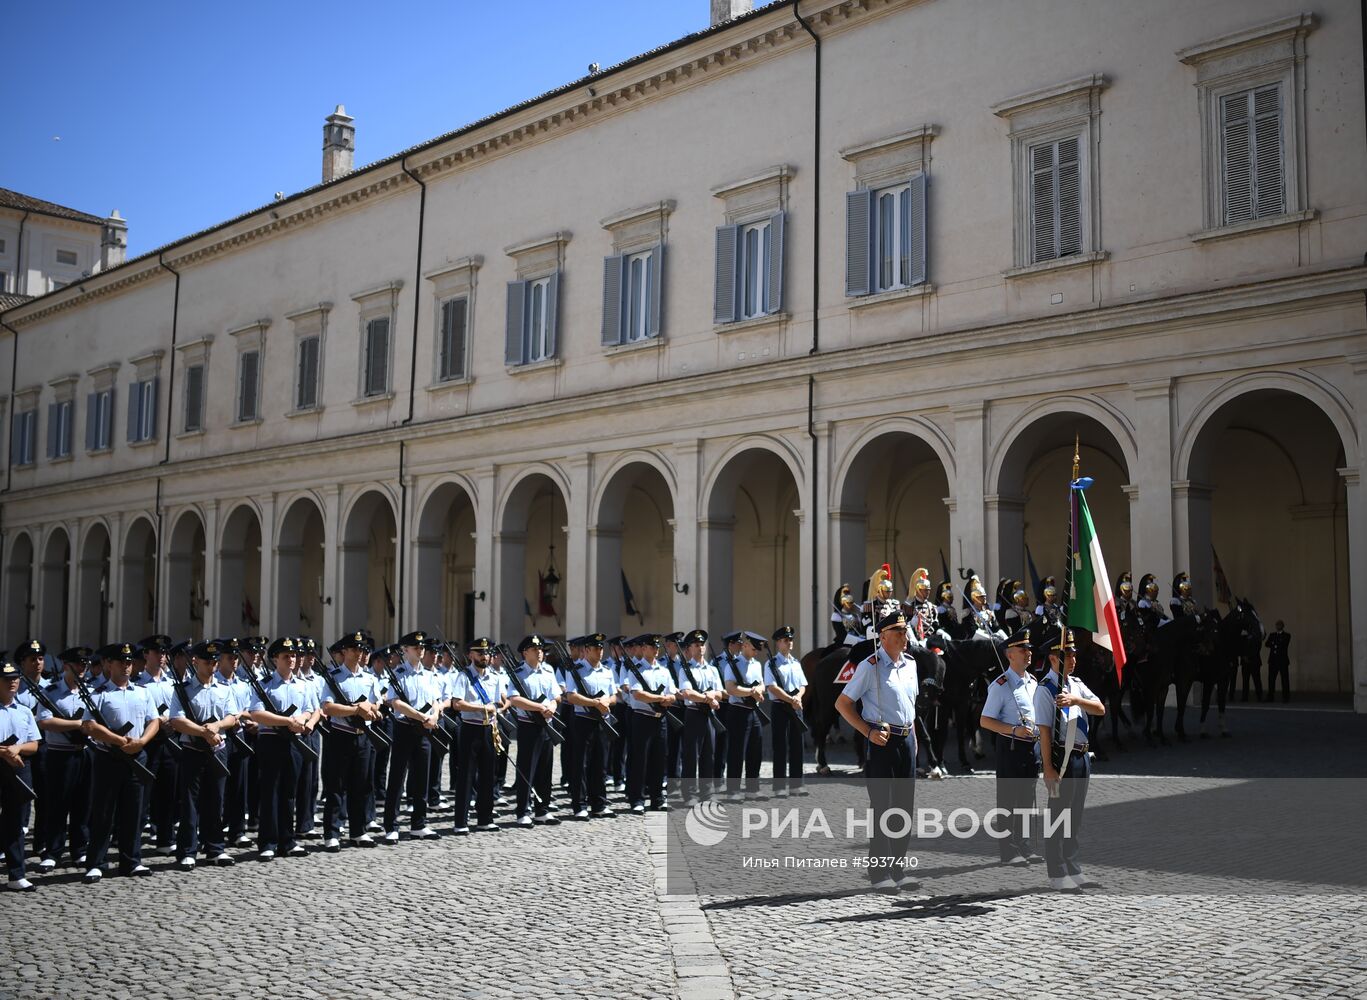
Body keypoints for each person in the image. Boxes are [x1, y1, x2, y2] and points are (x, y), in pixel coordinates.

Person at [835, 608, 920, 894]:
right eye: (898, 632)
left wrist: (915, 742)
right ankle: (879, 871)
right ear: (883, 637)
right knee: (883, 807)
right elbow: (843, 704)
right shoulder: (869, 666)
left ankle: (898, 868)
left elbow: (911, 709)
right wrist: (867, 732)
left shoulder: (911, 665)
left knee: (904, 809)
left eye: (905, 631)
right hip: (882, 742)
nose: (904, 636)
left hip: (906, 741)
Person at [1034, 628, 1106, 892]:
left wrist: (1076, 699)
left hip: (1082, 755)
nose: (1074, 658)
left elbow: (1100, 708)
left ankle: (1073, 867)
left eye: (1074, 653)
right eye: (1068, 654)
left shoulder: (1075, 685)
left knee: (1074, 816)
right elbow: (1044, 731)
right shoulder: (1045, 689)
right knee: (1058, 816)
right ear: (1054, 658)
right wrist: (1048, 768)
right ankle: (1056, 872)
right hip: (1061, 756)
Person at [80, 642, 159, 883]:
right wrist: (118, 740)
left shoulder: (142, 692)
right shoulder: (99, 694)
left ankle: (131, 860)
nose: (126, 666)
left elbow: (153, 720)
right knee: (104, 811)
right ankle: (96, 862)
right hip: (109, 757)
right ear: (108, 664)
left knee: (133, 812)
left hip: (136, 754)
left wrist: (142, 741)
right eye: (121, 662)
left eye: (129, 662)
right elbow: (89, 726)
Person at [245, 636, 322, 861]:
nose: (291, 659)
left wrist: (305, 720)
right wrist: (287, 721)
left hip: (295, 742)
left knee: (290, 792)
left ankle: (287, 840)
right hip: (271, 740)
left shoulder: (303, 685)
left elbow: (311, 709)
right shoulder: (266, 684)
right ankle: (268, 841)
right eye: (286, 656)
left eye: (294, 656)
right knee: (271, 792)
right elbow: (256, 713)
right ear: (275, 659)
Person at [167, 640, 241, 869]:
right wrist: (203, 731)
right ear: (195, 661)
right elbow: (177, 720)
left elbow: (233, 717)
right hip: (193, 750)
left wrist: (217, 727)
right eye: (207, 662)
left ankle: (215, 848)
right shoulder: (183, 690)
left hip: (218, 749)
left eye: (215, 662)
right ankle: (188, 850)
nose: (212, 666)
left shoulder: (224, 688)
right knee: (190, 801)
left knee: (216, 800)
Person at [977, 629, 1041, 866]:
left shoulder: (1033, 682)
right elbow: (985, 720)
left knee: (1026, 798)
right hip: (1011, 745)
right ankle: (1008, 849)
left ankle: (1024, 844)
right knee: (1008, 799)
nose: (1028, 653)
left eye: (1029, 649)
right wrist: (1014, 730)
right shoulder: (1001, 686)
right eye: (1023, 650)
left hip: (1031, 747)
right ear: (1010, 654)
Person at [318, 631, 384, 849]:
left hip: (363, 736)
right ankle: (332, 833)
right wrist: (356, 708)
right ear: (344, 651)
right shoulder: (334, 677)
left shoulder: (369, 678)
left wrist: (373, 710)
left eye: (362, 649)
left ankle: (358, 831)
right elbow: (327, 707)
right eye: (355, 649)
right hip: (341, 735)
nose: (359, 653)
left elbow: (376, 704)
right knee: (336, 786)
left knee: (361, 785)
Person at [32, 648, 94, 874]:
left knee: (83, 803)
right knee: (58, 804)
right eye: (78, 664)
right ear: (66, 666)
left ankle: (79, 850)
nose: (82, 668)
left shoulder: (91, 690)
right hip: (60, 752)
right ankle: (53, 851)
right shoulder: (52, 691)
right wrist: (78, 725)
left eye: (85, 664)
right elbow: (45, 721)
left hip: (85, 751)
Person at [382, 631, 444, 843]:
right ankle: (391, 825)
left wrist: (434, 715)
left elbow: (436, 699)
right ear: (405, 651)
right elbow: (395, 703)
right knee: (397, 778)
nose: (420, 650)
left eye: (422, 648)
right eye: (416, 648)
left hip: (425, 730)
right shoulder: (398, 674)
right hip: (405, 728)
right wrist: (421, 716)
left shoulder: (429, 675)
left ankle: (419, 823)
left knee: (422, 778)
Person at [449, 637, 509, 835]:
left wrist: (499, 708)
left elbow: (501, 702)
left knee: (488, 775)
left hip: (489, 729)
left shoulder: (495, 677)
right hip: (470, 729)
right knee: (466, 776)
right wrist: (483, 707)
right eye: (480, 653)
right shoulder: (464, 676)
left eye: (487, 653)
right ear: (471, 655)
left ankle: (485, 818)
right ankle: (461, 821)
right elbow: (457, 703)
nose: (485, 657)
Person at [561, 633, 617, 820]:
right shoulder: (576, 670)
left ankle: (599, 803)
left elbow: (614, 696)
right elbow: (571, 696)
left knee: (600, 764)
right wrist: (594, 703)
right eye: (595, 648)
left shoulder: (607, 671)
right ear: (586, 650)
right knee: (581, 764)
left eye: (601, 648)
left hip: (602, 721)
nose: (600, 651)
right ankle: (580, 805)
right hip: (583, 720)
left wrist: (605, 701)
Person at [508, 634, 562, 826]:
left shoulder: (548, 671)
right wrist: (539, 707)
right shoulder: (518, 673)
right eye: (534, 649)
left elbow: (556, 695)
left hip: (547, 724)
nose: (539, 652)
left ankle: (543, 809)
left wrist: (553, 707)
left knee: (545, 769)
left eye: (540, 649)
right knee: (526, 769)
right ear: (525, 653)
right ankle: (523, 810)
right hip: (528, 725)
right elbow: (514, 699)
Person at [622, 634, 677, 815]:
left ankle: (657, 798)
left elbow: (673, 694)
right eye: (651, 647)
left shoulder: (664, 670)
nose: (655, 650)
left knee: (659, 759)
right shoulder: (636, 670)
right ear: (643, 649)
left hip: (659, 718)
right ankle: (637, 799)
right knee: (640, 759)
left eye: (656, 647)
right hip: (642, 718)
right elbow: (638, 694)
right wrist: (662, 698)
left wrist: (666, 699)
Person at [1, 657, 41, 891]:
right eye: (7, 680)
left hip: (18, 766)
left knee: (15, 821)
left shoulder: (24, 711)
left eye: (15, 679)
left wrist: (16, 749)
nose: (12, 683)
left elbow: (34, 744)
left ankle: (16, 874)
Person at [677, 629, 723, 805]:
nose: (700, 647)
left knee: (708, 755)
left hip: (708, 715)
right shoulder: (685, 669)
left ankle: (707, 793)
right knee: (691, 755)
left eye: (702, 644)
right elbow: (687, 693)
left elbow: (720, 692)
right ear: (689, 648)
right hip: (694, 714)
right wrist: (708, 697)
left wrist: (711, 696)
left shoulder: (712, 669)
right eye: (696, 645)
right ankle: (689, 794)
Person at [722, 631, 767, 800]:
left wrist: (758, 691)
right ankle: (733, 791)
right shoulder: (733, 664)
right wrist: (752, 691)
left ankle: (752, 788)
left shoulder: (756, 664)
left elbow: (761, 683)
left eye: (757, 650)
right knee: (736, 751)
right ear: (746, 645)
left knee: (755, 750)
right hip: (738, 711)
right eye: (754, 649)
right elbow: (730, 688)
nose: (756, 652)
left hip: (753, 711)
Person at [765, 625, 807, 798]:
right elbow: (772, 687)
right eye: (785, 640)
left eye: (790, 640)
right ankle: (779, 786)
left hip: (796, 707)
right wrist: (791, 700)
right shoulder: (771, 663)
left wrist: (798, 697)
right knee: (780, 747)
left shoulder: (795, 663)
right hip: (781, 707)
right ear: (778, 643)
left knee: (798, 746)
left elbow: (803, 685)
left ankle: (797, 785)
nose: (789, 643)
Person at [1265, 621, 1292, 703]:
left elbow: (1283, 644)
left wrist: (1273, 643)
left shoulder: (1287, 635)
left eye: (1279, 624)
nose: (1278, 626)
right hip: (1273, 661)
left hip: (1282, 661)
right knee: (1271, 680)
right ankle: (1270, 697)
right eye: (1277, 624)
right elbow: (1267, 644)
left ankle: (1286, 697)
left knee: (1284, 679)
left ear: (1283, 626)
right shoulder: (1272, 635)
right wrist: (1275, 643)